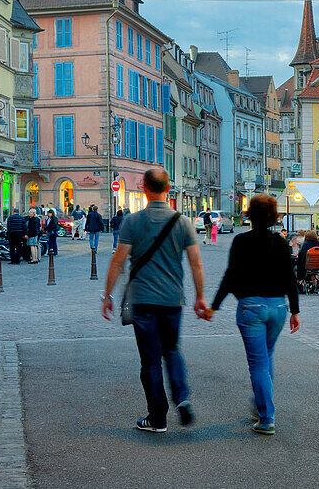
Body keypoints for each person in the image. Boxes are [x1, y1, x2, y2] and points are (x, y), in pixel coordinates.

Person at [101, 167, 206, 433]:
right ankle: (182, 397)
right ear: (168, 189)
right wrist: (200, 297)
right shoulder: (182, 222)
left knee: (149, 360)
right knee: (172, 350)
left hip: (143, 300)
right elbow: (196, 265)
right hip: (173, 299)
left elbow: (118, 261)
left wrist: (108, 296)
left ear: (144, 189)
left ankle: (157, 417)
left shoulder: (133, 222)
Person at [203, 193, 300, 435]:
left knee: (258, 363)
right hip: (278, 308)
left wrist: (214, 306)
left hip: (251, 308)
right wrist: (295, 311)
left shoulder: (241, 241)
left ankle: (267, 417)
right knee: (266, 357)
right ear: (273, 217)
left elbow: (230, 276)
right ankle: (261, 406)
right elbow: (290, 278)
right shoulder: (280, 242)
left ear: (250, 216)